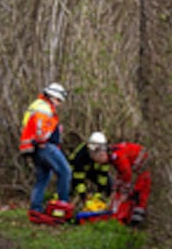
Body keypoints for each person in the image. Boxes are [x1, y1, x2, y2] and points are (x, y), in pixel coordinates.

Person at [19, 82, 72, 221]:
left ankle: (35, 208)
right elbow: (40, 128)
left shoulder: (36, 104)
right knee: (65, 172)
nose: (59, 103)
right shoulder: (44, 108)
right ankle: (63, 206)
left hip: (35, 148)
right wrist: (43, 140)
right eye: (59, 100)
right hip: (45, 146)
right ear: (53, 96)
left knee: (43, 178)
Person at [90, 138, 150, 225]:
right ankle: (122, 217)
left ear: (102, 155)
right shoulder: (112, 156)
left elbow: (127, 173)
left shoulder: (117, 156)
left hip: (144, 166)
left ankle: (134, 221)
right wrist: (115, 189)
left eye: (98, 161)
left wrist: (124, 192)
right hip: (137, 167)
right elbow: (120, 174)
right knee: (127, 192)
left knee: (139, 192)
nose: (99, 164)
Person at [70, 131, 112, 207]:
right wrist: (84, 196)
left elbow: (103, 175)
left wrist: (99, 193)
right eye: (96, 151)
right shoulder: (79, 157)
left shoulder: (105, 155)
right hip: (77, 172)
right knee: (71, 186)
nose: (100, 154)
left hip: (93, 171)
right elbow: (78, 180)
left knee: (110, 183)